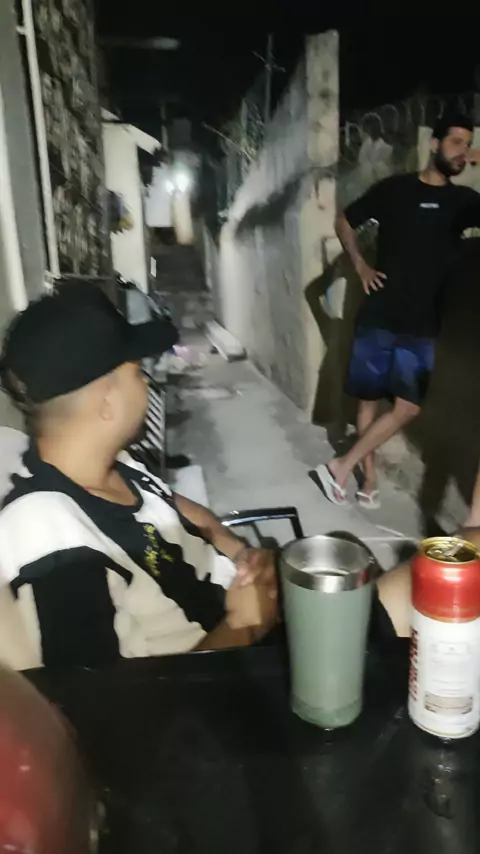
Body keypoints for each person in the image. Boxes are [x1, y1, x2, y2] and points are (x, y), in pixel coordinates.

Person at [0, 283, 278, 668]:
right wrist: (244, 625)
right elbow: (106, 703)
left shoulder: (112, 466)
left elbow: (183, 511)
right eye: (137, 373)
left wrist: (242, 555)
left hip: (244, 613)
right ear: (106, 402)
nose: (146, 382)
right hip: (226, 681)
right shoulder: (50, 540)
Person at [311, 114, 480, 509]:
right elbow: (344, 221)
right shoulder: (394, 190)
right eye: (455, 142)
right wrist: (360, 266)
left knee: (408, 408)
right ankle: (368, 477)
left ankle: (340, 465)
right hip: (379, 316)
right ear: (434, 144)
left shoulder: (464, 202)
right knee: (368, 401)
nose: (462, 151)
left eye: (467, 144)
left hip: (423, 324)